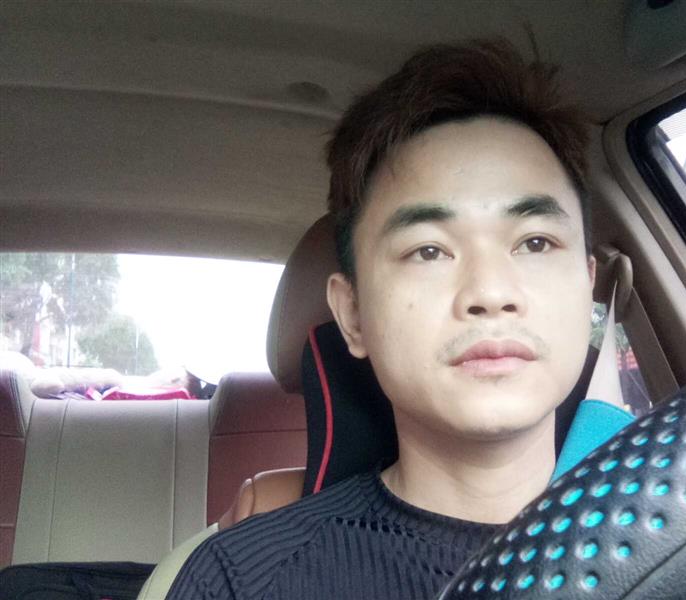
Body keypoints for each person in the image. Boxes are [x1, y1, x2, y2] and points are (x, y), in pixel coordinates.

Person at [167, 37, 633, 599]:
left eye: (535, 242)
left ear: (588, 285)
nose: (490, 292)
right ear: (353, 316)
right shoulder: (243, 581)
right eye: (428, 251)